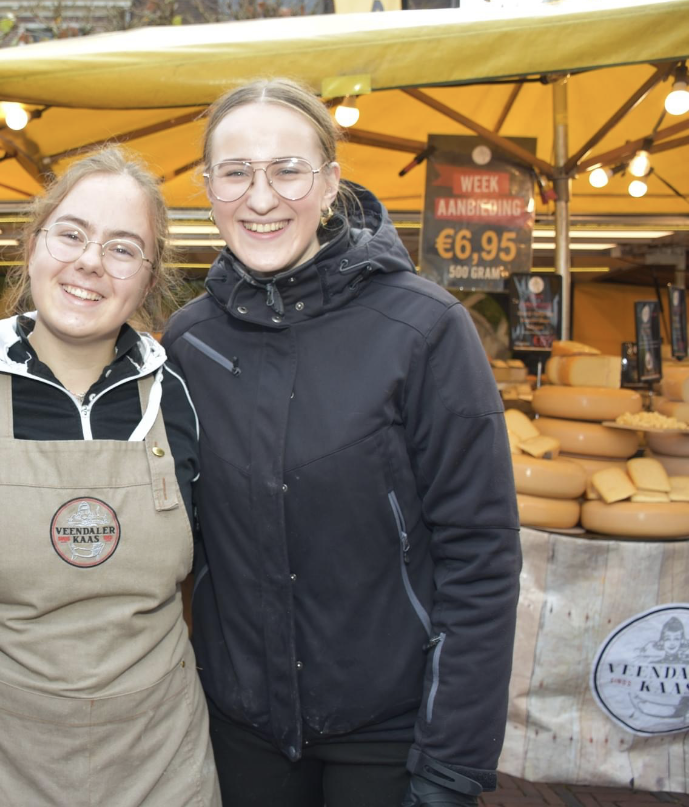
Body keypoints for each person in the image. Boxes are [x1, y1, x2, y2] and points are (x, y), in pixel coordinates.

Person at [160, 78, 521, 807]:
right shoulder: (189, 341)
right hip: (241, 729)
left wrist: (452, 765)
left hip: (388, 730)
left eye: (288, 169)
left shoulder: (424, 329)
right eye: (236, 172)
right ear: (208, 190)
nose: (261, 197)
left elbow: (480, 558)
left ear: (329, 184)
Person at [0, 147, 221, 807]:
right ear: (33, 244)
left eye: (122, 248)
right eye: (72, 233)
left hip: (158, 753)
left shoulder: (181, 397)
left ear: (148, 275)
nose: (89, 262)